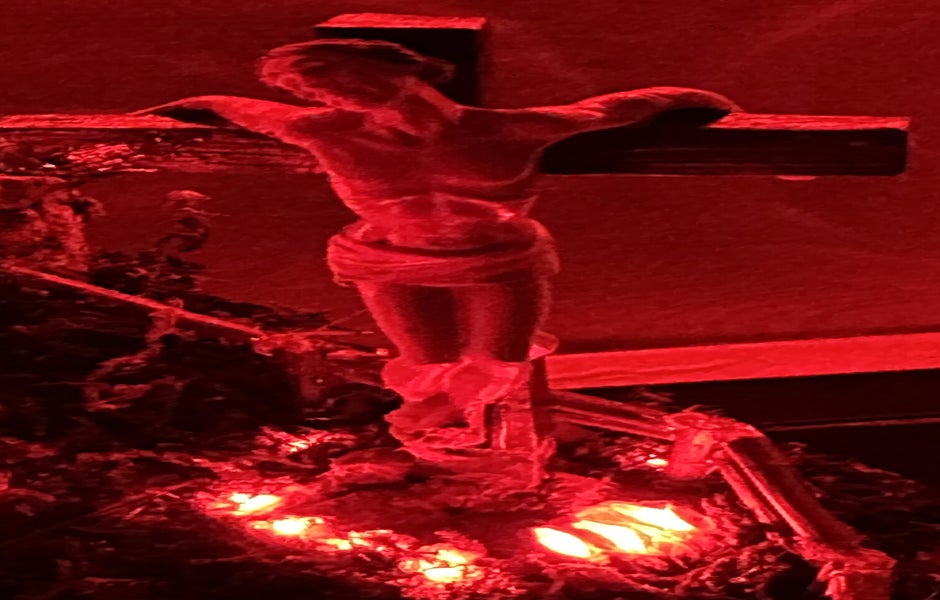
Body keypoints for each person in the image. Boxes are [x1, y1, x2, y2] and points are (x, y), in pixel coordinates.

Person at [136, 39, 737, 449]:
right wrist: (142, 121)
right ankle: (436, 446)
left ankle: (490, 444)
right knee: (427, 366)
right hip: (387, 256)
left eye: (339, 76)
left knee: (499, 362)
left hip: (497, 257)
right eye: (312, 88)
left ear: (408, 69)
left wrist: (714, 107)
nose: (333, 94)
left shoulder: (512, 129)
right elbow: (224, 106)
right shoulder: (321, 130)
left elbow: (616, 108)